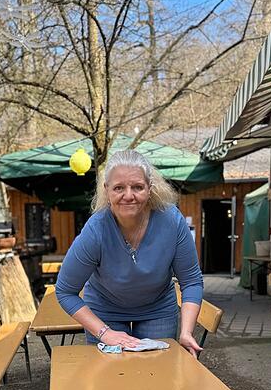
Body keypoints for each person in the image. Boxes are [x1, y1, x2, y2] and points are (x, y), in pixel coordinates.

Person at [55, 149, 204, 357]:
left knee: (156, 373)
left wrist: (187, 331)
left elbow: (191, 281)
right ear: (107, 190)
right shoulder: (96, 230)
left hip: (157, 309)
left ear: (150, 189)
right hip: (105, 309)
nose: (128, 195)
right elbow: (64, 291)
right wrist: (105, 333)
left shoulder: (171, 221)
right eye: (119, 188)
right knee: (110, 377)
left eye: (137, 187)